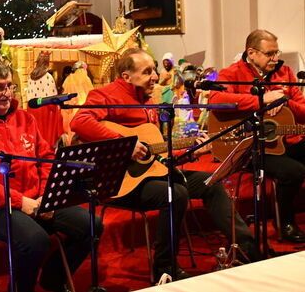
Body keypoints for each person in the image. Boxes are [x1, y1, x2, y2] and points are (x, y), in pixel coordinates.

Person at [70, 48, 258, 282]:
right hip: (118, 181)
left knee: (211, 181)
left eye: (154, 70)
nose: (156, 77)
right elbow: (80, 120)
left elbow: (157, 150)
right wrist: (124, 144)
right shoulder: (107, 95)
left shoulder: (150, 101)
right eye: (147, 72)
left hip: (151, 174)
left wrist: (191, 151)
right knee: (175, 193)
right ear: (126, 76)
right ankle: (164, 267)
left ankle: (249, 250)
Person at [0, 59, 102, 292]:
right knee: (35, 241)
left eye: (10, 86)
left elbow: (46, 158)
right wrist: (22, 202)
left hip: (37, 199)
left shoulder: (24, 118)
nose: (7, 93)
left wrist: (46, 195)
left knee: (92, 224)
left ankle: (52, 279)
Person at [208, 29, 305, 243]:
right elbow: (214, 100)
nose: (276, 58)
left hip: (283, 141)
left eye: (277, 52)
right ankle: (286, 223)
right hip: (250, 146)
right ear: (251, 53)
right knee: (294, 171)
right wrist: (261, 100)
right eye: (270, 54)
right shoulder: (232, 73)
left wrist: (284, 103)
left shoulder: (285, 73)